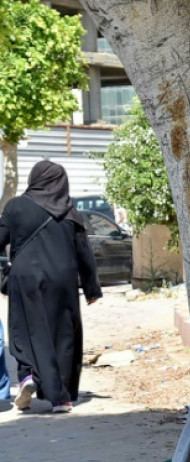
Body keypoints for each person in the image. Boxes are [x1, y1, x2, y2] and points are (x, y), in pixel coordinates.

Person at [2, 161, 102, 413]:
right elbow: (84, 253)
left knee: (24, 329)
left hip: (24, 278)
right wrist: (92, 289)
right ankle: (61, 398)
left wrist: (5, 267)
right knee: (62, 334)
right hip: (63, 281)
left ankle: (27, 376)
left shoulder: (15, 207)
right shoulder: (70, 211)